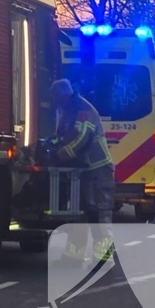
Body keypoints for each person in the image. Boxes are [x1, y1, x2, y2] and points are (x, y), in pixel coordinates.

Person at [50, 78, 115, 264]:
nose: (56, 103)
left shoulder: (82, 109)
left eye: (57, 99)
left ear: (63, 96)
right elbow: (62, 136)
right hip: (83, 171)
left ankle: (104, 258)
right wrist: (51, 146)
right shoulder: (68, 111)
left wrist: (64, 153)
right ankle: (74, 256)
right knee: (80, 214)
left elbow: (83, 137)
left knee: (99, 213)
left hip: (99, 169)